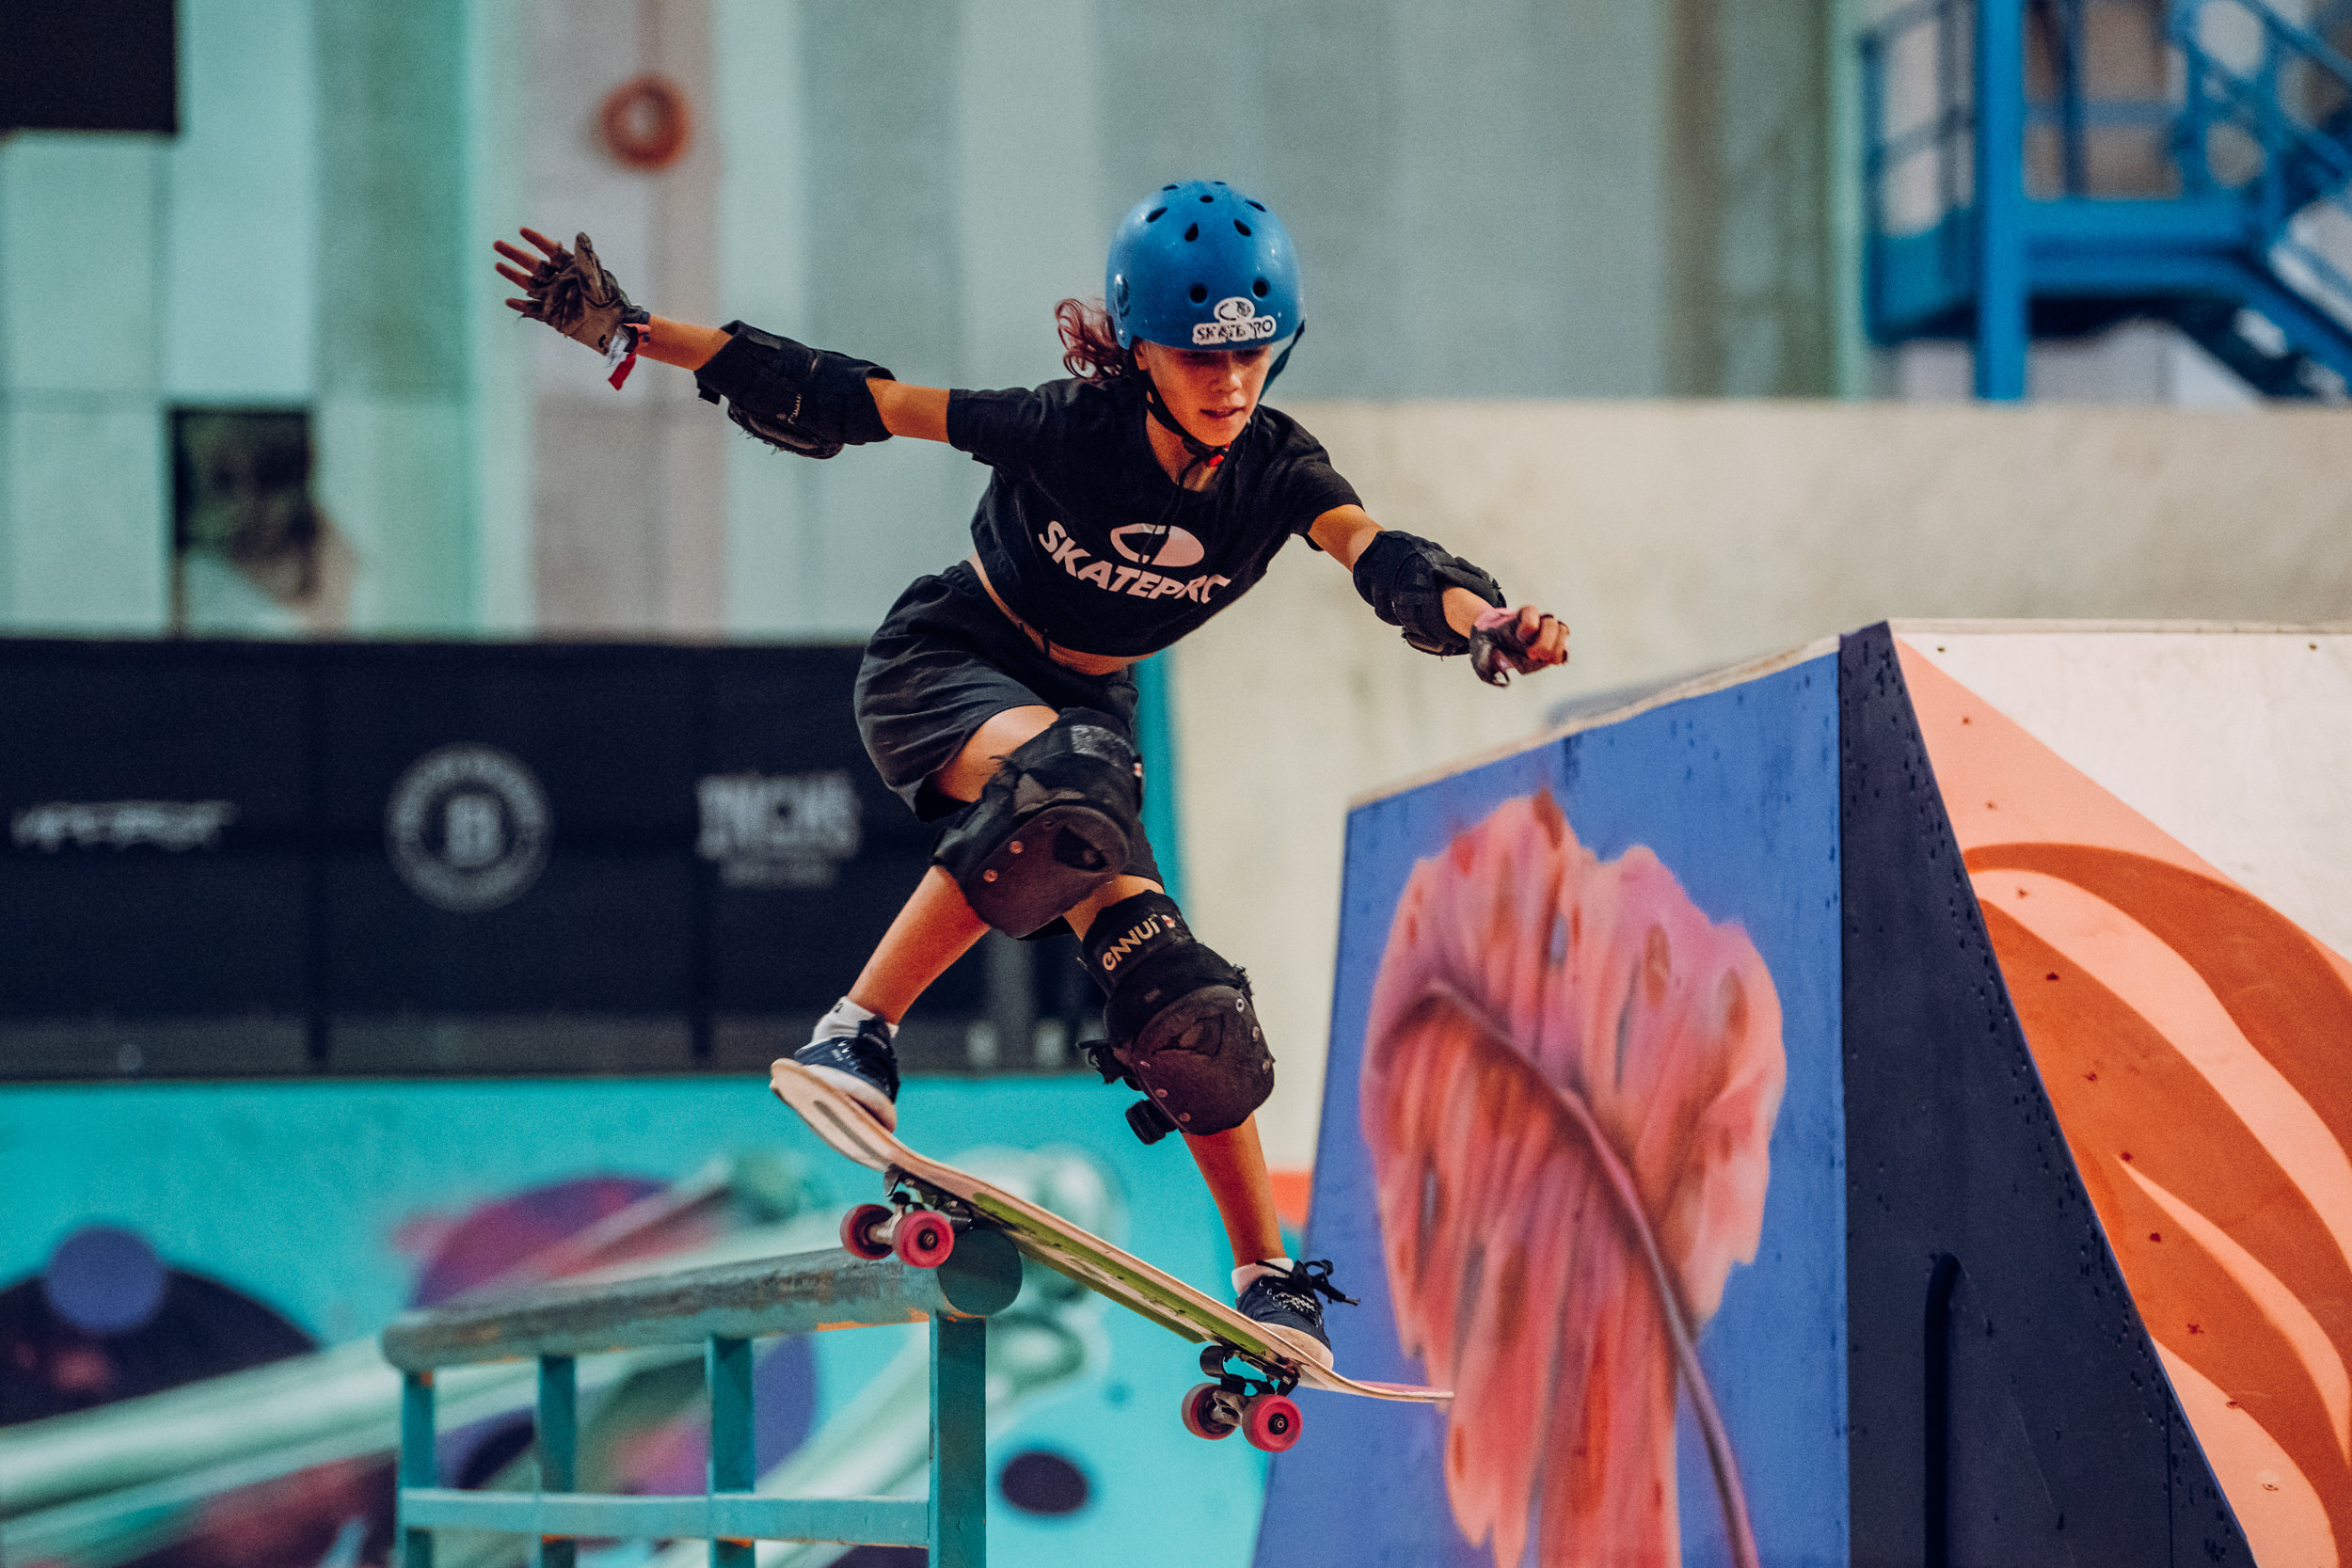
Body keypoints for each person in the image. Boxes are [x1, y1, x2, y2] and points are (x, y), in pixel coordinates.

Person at [495, 181, 1567, 1363]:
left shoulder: (1280, 469)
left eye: (1254, 354)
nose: (1230, 384)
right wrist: (635, 331)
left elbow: (1384, 556)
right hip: (948, 663)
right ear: (1138, 350)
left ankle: (1269, 1275)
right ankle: (854, 1035)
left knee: (1186, 996)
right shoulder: (1068, 427)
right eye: (1197, 358)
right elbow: (856, 397)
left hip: (1081, 715)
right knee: (1073, 784)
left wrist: (1484, 617)